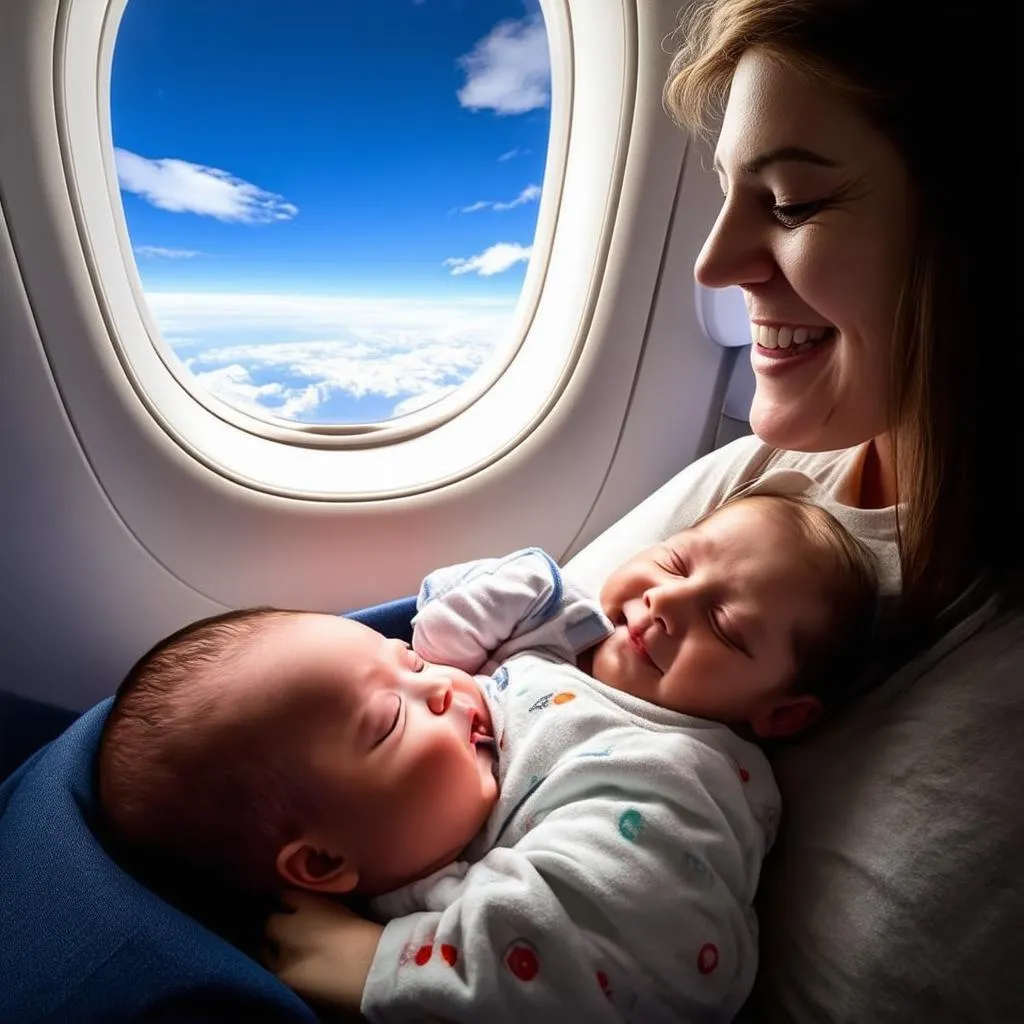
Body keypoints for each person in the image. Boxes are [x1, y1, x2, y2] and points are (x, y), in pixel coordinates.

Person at [562, 1, 1021, 1020]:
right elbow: (515, 663)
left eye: (794, 202)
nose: (714, 266)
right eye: (731, 192)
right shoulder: (766, 473)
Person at [98, 492, 876, 1022]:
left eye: (726, 627)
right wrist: (528, 596)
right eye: (675, 564)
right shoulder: (558, 645)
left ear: (779, 713)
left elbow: (585, 949)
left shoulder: (668, 778)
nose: (665, 603)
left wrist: (379, 962)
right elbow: (434, 634)